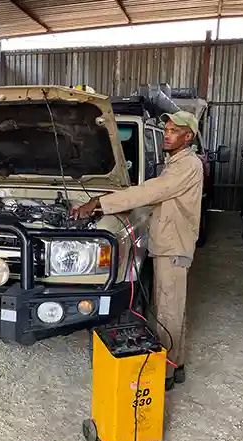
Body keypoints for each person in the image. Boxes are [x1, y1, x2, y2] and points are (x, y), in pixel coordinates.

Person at [70, 110, 204, 391]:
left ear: (187, 136)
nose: (167, 134)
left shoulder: (188, 165)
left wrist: (98, 203)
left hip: (174, 246)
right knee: (166, 307)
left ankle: (167, 371)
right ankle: (173, 364)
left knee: (169, 310)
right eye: (166, 129)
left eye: (173, 131)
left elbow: (151, 192)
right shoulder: (176, 162)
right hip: (167, 243)